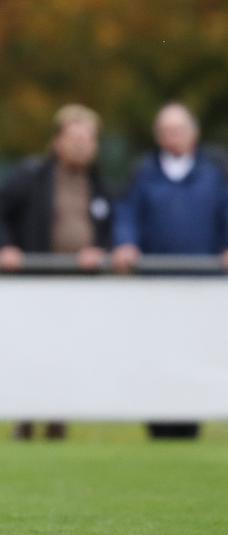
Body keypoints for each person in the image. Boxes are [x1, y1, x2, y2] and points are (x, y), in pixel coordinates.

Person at [0, 104, 112, 440]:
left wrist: (102, 251)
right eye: (76, 138)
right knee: (31, 353)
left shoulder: (98, 183)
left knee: (67, 354)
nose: (83, 145)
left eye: (89, 139)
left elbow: (110, 227)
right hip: (34, 285)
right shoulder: (32, 175)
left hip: (78, 288)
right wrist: (5, 247)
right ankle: (25, 420)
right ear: (58, 140)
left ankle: (58, 420)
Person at [112, 102, 228, 439]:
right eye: (164, 131)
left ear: (194, 134)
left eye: (177, 130)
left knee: (194, 355)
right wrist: (125, 243)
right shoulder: (144, 172)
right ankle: (157, 426)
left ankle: (190, 423)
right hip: (155, 287)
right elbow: (128, 214)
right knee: (156, 356)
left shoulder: (214, 171)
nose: (171, 137)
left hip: (202, 286)